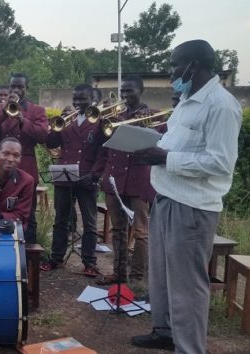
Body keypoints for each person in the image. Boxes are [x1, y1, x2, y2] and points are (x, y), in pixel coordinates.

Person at [131, 40, 242, 353]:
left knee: (188, 286)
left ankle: (190, 348)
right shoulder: (187, 100)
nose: (170, 74)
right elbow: (176, 141)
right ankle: (165, 332)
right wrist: (151, 142)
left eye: (174, 66)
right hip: (166, 196)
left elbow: (220, 162)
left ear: (193, 65)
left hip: (192, 207)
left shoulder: (221, 105)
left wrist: (164, 158)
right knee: (163, 275)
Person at [96, 76, 158, 286]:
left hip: (139, 181)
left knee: (141, 232)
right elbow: (104, 146)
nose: (124, 95)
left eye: (129, 91)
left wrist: (147, 125)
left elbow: (161, 142)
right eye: (122, 91)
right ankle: (119, 273)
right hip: (115, 180)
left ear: (141, 90)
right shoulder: (115, 117)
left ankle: (137, 278)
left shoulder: (153, 116)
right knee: (118, 230)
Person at [41, 84, 105, 277]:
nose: (77, 102)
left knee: (90, 222)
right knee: (61, 220)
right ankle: (56, 258)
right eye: (75, 99)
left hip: (87, 178)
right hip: (65, 176)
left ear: (92, 99)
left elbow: (104, 151)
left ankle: (89, 262)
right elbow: (52, 144)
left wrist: (95, 174)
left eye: (82, 99)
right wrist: (55, 128)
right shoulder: (67, 121)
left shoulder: (100, 121)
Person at [0, 73, 48, 244]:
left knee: (27, 213)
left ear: (27, 89)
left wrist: (22, 120)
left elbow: (42, 136)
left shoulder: (36, 110)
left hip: (24, 168)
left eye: (20, 87)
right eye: (13, 87)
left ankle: (27, 254)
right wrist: (4, 112)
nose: (16, 90)